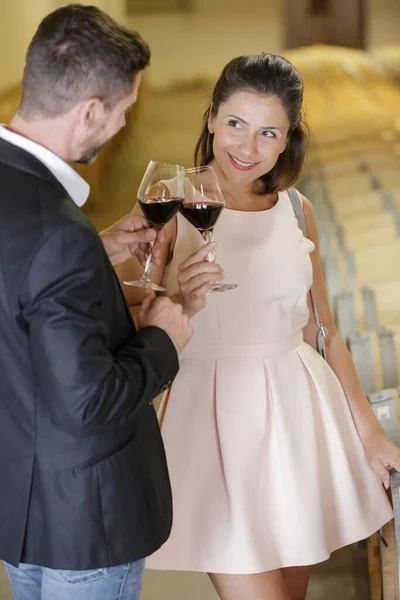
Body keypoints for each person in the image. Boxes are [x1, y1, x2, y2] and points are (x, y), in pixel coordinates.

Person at [119, 53, 400, 600]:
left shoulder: (298, 210)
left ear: (287, 137)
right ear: (210, 120)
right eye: (235, 125)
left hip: (298, 423)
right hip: (213, 423)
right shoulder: (168, 207)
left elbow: (326, 333)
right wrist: (179, 299)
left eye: (267, 132)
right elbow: (130, 318)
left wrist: (372, 436)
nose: (246, 148)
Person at [0, 4, 194, 600]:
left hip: (19, 511)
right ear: (90, 111)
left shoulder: (31, 208)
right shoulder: (58, 232)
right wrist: (164, 337)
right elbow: (90, 402)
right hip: (84, 524)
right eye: (124, 111)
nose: (123, 126)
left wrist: (94, 248)